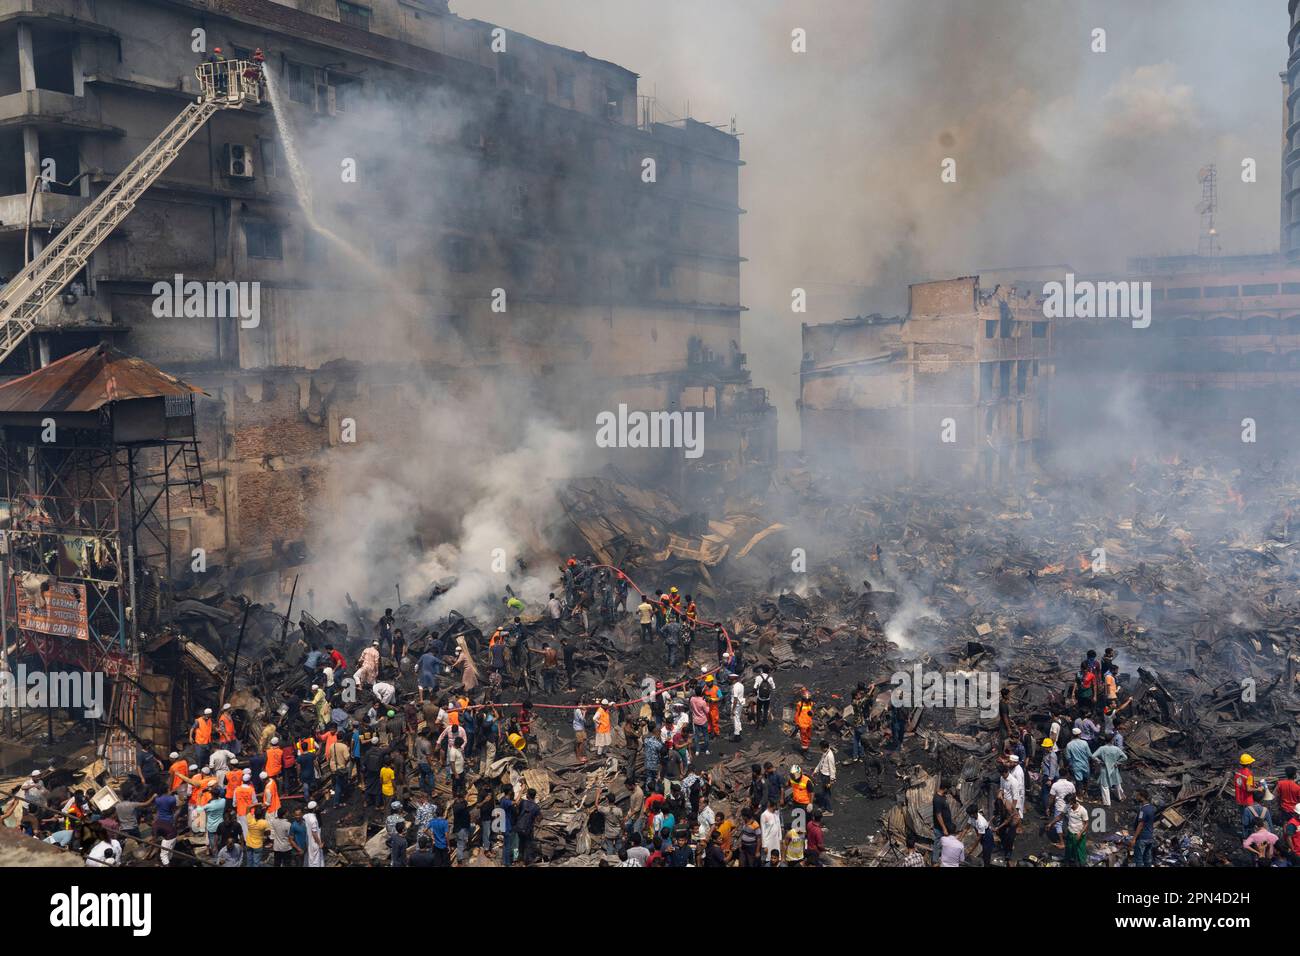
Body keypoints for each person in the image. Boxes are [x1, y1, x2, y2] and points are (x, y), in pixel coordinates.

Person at [931, 777, 954, 865]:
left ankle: (943, 859)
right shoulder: (937, 799)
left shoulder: (942, 796)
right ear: (944, 788)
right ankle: (935, 861)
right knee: (937, 844)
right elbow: (938, 815)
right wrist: (944, 828)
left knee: (944, 844)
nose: (948, 791)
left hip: (946, 825)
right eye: (948, 789)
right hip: (940, 828)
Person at [1130, 789, 1156, 867]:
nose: (1136, 797)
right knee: (1147, 859)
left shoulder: (1143, 810)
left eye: (1137, 795)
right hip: (1150, 837)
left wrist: (1134, 839)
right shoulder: (1151, 808)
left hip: (1142, 838)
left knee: (1139, 860)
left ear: (1142, 797)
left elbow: (1141, 824)